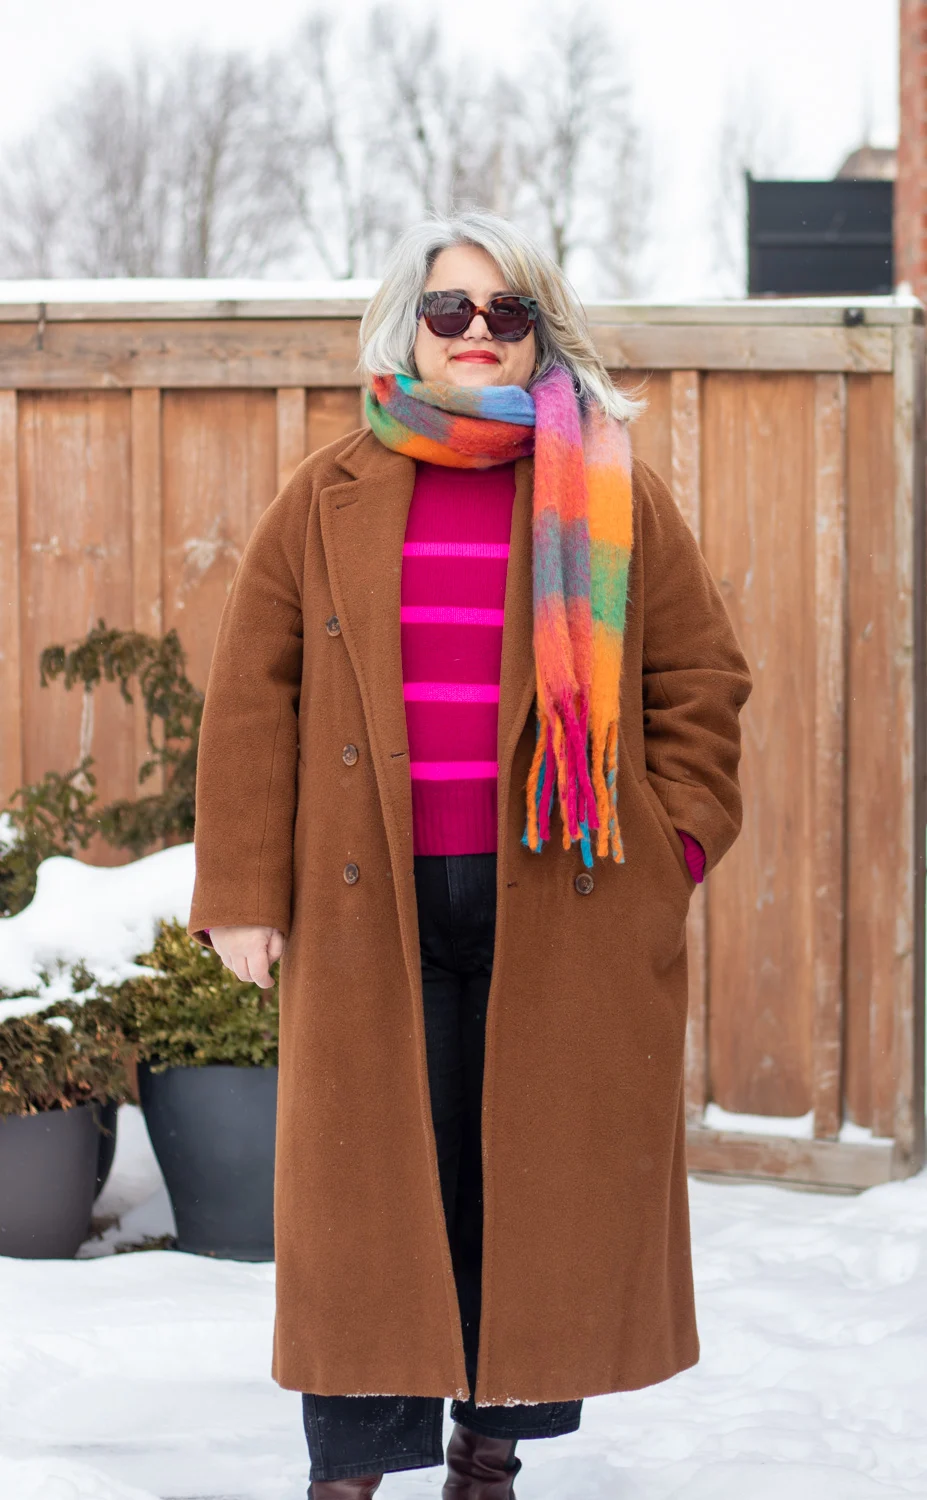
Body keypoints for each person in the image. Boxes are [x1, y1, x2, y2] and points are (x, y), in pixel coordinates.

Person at [188, 210, 753, 1499]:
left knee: (523, 1186)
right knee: (371, 1200)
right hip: (364, 909)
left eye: (507, 313)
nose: (478, 333)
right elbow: (250, 698)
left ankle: (488, 1459)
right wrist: (238, 892)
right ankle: (348, 1473)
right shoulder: (324, 492)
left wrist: (671, 851)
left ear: (540, 330)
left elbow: (703, 686)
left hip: (561, 902)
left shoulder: (611, 494)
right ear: (411, 325)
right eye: (452, 310)